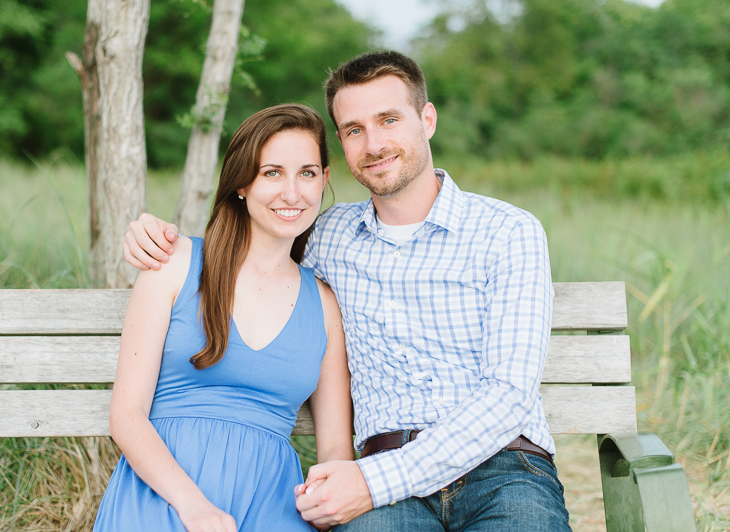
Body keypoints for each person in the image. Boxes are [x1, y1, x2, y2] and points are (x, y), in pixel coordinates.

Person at [123, 51, 571, 531]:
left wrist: (374, 482)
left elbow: (508, 394)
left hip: (503, 470)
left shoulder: (509, 231)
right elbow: (255, 242)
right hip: (380, 474)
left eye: (388, 120)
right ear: (341, 143)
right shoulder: (325, 234)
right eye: (355, 129)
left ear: (427, 119)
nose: (374, 143)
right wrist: (155, 235)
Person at [94, 104, 354, 532]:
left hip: (272, 500)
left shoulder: (324, 304)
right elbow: (126, 414)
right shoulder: (175, 263)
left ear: (324, 180)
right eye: (272, 173)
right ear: (241, 183)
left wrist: (327, 505)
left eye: (307, 173)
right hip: (163, 492)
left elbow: (334, 446)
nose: (292, 193)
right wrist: (192, 506)